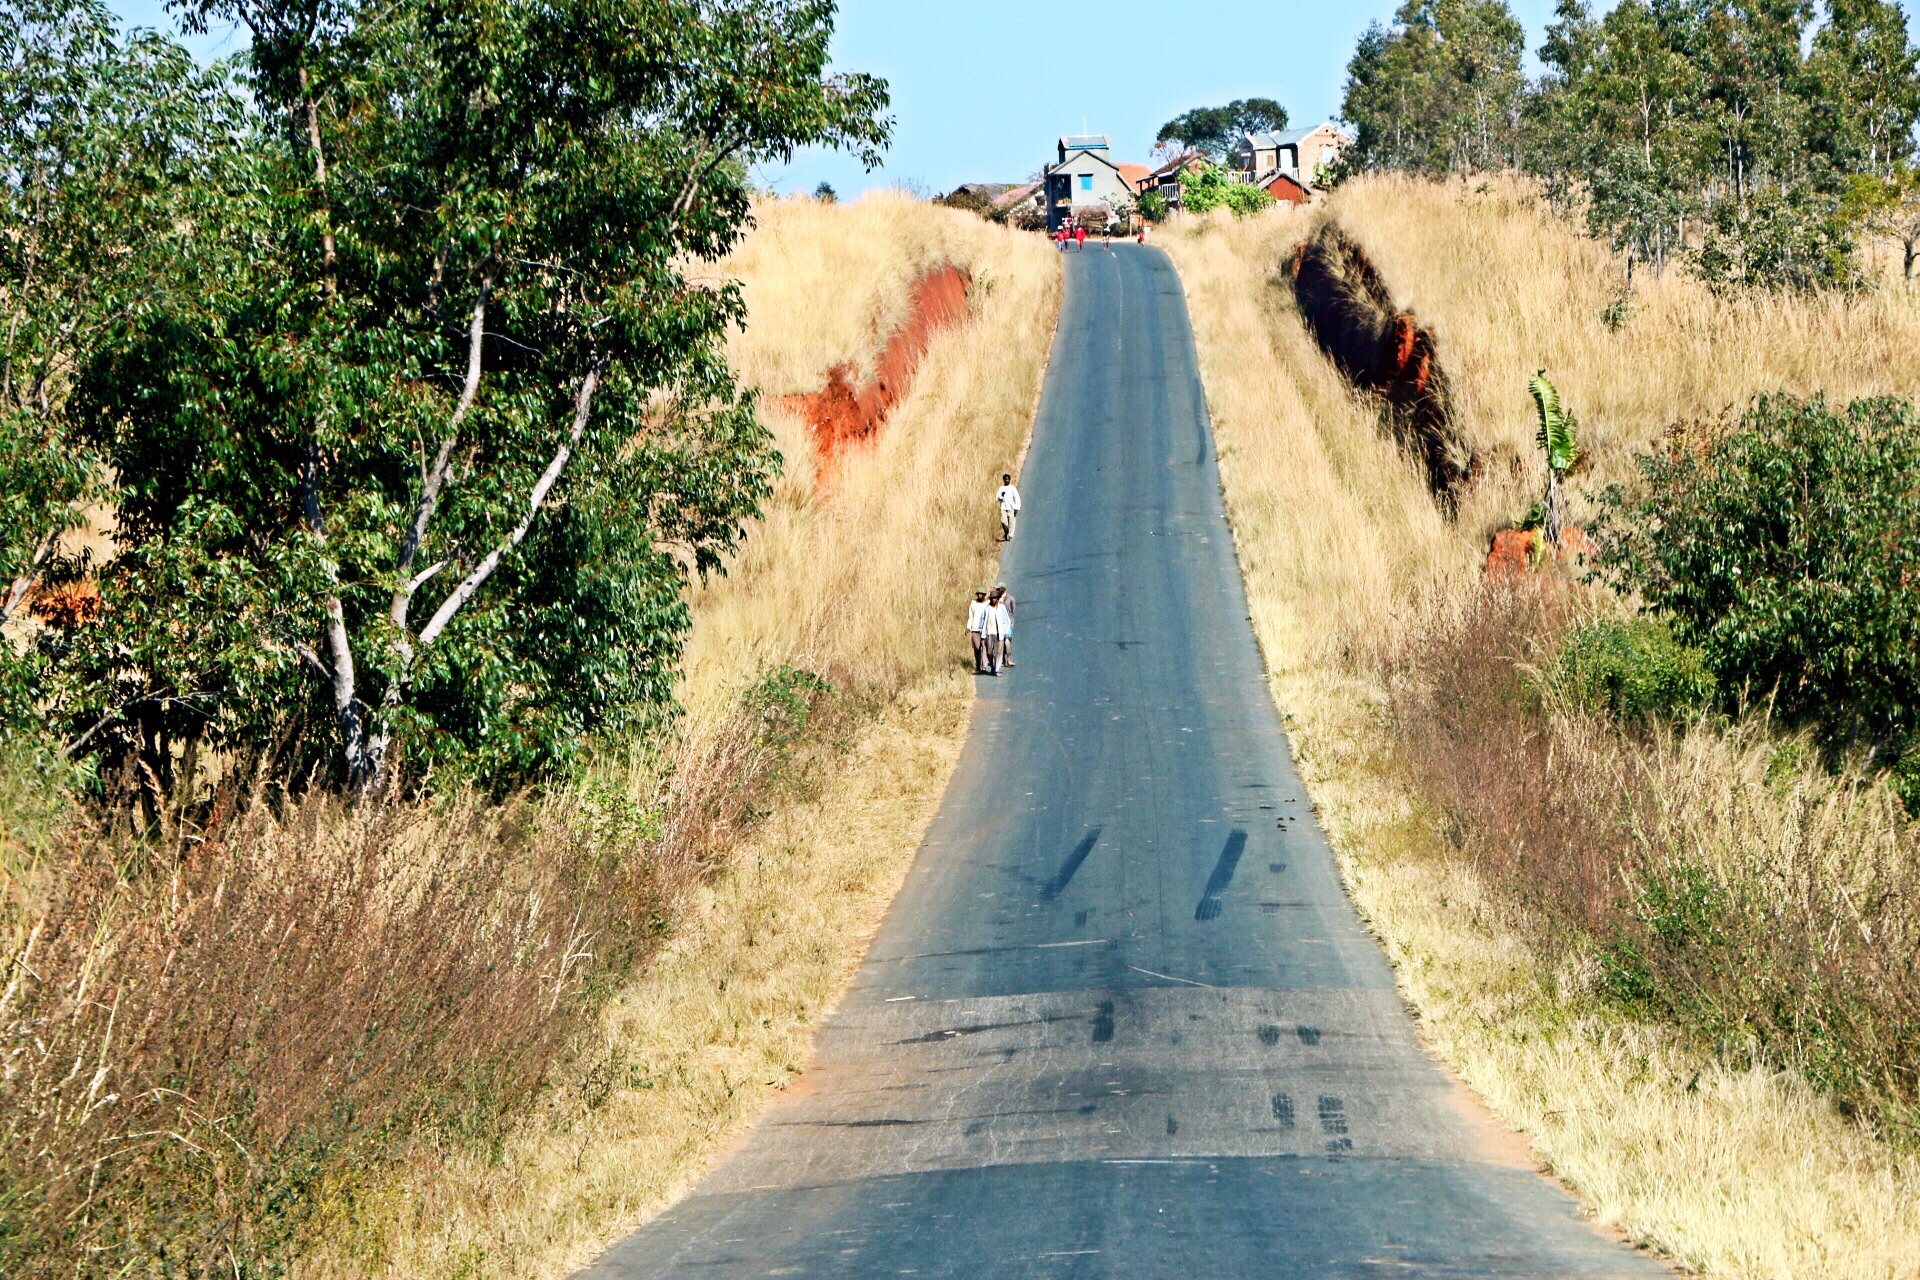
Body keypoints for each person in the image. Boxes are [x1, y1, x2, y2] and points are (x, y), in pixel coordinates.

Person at [983, 588, 1011, 675]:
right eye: (992, 598)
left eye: (995, 598)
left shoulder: (1002, 608)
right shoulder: (986, 608)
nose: (993, 599)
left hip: (999, 633)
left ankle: (997, 669)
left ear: (997, 599)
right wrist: (982, 633)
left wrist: (1006, 632)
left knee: (998, 652)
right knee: (989, 652)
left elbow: (1007, 620)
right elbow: (983, 621)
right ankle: (992, 666)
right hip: (989, 633)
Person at [966, 589, 990, 673]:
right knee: (976, 647)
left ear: (984, 595)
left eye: (981, 594)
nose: (979, 595)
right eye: (978, 594)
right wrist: (968, 627)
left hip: (984, 629)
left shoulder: (988, 604)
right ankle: (977, 664)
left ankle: (984, 666)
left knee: (984, 647)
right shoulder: (973, 603)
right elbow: (971, 616)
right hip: (975, 629)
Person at [995, 473, 1021, 542]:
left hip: (1011, 507)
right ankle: (1006, 531)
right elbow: (998, 498)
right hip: (1003, 507)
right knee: (1003, 521)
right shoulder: (1001, 488)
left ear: (1009, 480)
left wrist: (1016, 508)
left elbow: (1017, 498)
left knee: (1012, 521)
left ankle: (1009, 536)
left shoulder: (1012, 488)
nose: (1006, 480)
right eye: (1005, 479)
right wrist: (1002, 496)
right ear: (1003, 480)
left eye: (1008, 479)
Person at [995, 583, 1015, 667]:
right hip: (1000, 622)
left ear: (1003, 589)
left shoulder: (1010, 598)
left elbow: (1013, 611)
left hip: (1009, 622)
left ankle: (1009, 659)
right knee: (1001, 641)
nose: (997, 591)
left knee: (1008, 641)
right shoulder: (996, 598)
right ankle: (1002, 660)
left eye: (998, 589)